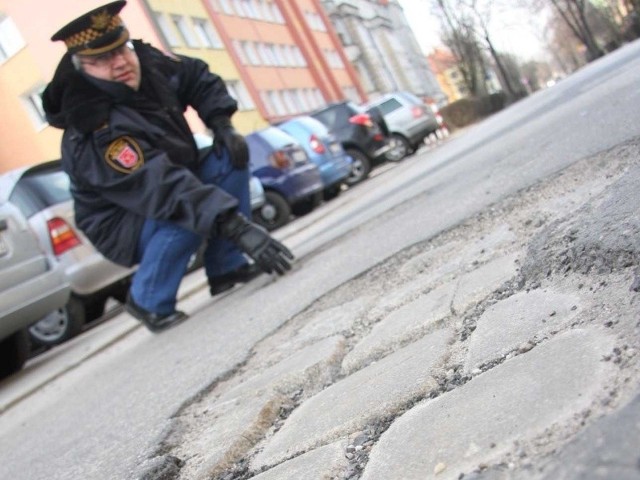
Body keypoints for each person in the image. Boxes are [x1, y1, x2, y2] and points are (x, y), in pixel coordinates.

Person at [42, 1, 294, 333]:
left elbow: (197, 77)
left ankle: (226, 267)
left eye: (121, 49)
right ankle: (148, 299)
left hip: (174, 182)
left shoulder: (149, 67)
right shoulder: (93, 127)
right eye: (102, 59)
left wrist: (222, 124)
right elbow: (160, 187)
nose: (120, 63)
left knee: (228, 157)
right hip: (123, 219)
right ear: (82, 68)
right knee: (185, 213)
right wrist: (237, 226)